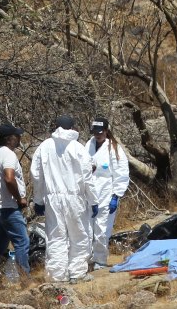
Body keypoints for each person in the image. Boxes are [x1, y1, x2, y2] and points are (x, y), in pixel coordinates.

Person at [30, 115, 99, 283]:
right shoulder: (77, 147)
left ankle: (57, 276)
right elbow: (87, 176)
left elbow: (36, 175)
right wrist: (93, 200)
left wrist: (38, 199)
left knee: (56, 236)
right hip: (75, 198)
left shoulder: (44, 146)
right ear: (72, 127)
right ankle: (77, 273)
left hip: (53, 198)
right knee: (79, 235)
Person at [85, 117, 130, 270]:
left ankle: (100, 260)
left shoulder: (113, 148)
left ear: (106, 131)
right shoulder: (88, 145)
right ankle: (88, 259)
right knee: (87, 229)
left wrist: (116, 195)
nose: (98, 135)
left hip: (106, 193)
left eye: (101, 132)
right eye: (95, 132)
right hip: (89, 194)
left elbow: (121, 173)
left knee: (102, 229)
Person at [0, 123, 30, 280]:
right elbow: (9, 178)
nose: (19, 138)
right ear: (9, 139)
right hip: (9, 207)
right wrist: (20, 198)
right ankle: (25, 279)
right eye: (17, 136)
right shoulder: (8, 154)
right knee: (22, 242)